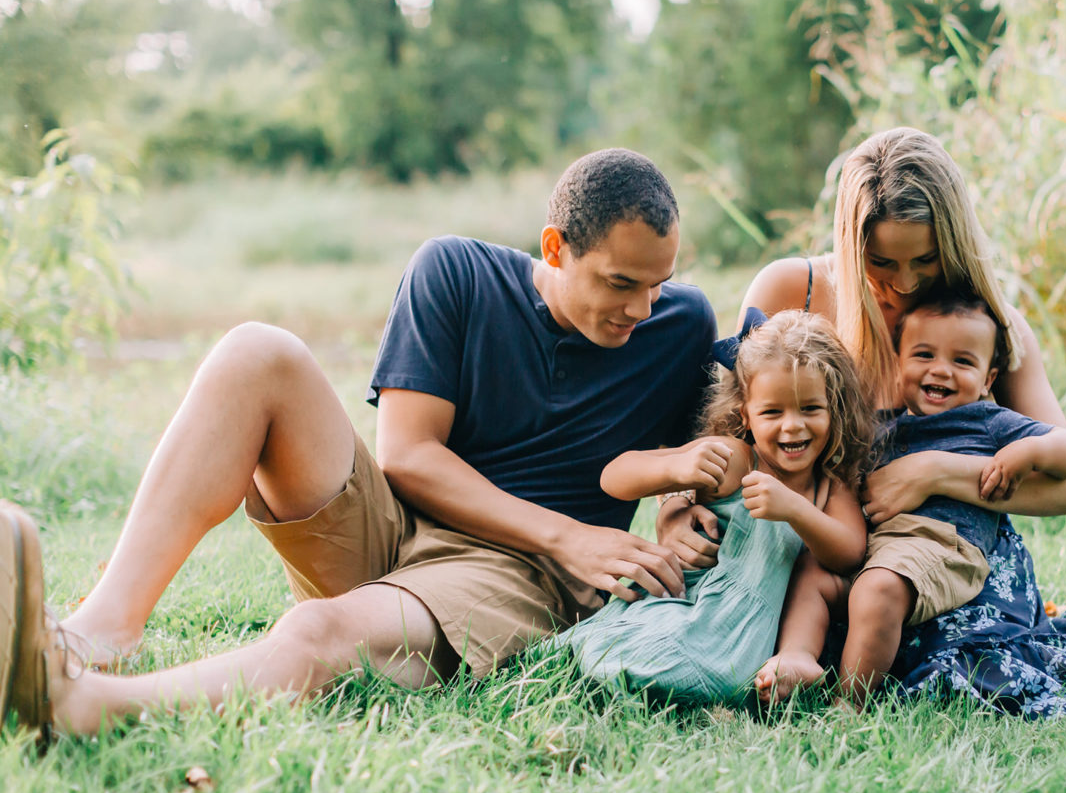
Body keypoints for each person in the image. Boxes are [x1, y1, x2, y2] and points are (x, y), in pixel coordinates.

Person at [0, 148, 717, 738]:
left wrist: (683, 521)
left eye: (659, 284)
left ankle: (83, 708)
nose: (640, 308)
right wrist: (570, 534)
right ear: (556, 248)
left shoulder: (679, 325)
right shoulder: (456, 273)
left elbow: (692, 465)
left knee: (319, 629)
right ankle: (101, 631)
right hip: (401, 524)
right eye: (620, 283)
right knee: (257, 352)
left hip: (515, 575)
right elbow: (407, 456)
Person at [660, 127, 1066, 717]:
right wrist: (675, 507)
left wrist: (936, 472)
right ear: (850, 243)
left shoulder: (982, 325)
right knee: (759, 622)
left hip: (937, 548)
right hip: (816, 544)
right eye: (881, 262)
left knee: (942, 656)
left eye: (926, 259)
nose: (906, 282)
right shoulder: (793, 289)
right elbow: (730, 425)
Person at [756, 288, 1066, 708]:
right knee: (815, 574)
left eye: (963, 361)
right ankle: (797, 656)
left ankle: (850, 702)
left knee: (877, 589)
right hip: (879, 546)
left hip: (942, 544)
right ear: (899, 365)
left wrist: (1030, 451)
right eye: (924, 355)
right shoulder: (881, 426)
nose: (942, 371)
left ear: (989, 379)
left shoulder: (989, 422)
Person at [558, 310, 870, 704]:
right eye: (772, 412)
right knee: (647, 657)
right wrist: (674, 469)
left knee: (718, 676)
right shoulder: (737, 459)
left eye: (810, 408)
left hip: (742, 633)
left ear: (834, 408)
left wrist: (794, 509)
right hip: (690, 605)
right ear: (747, 416)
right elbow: (613, 477)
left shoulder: (831, 484)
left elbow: (849, 552)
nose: (792, 426)